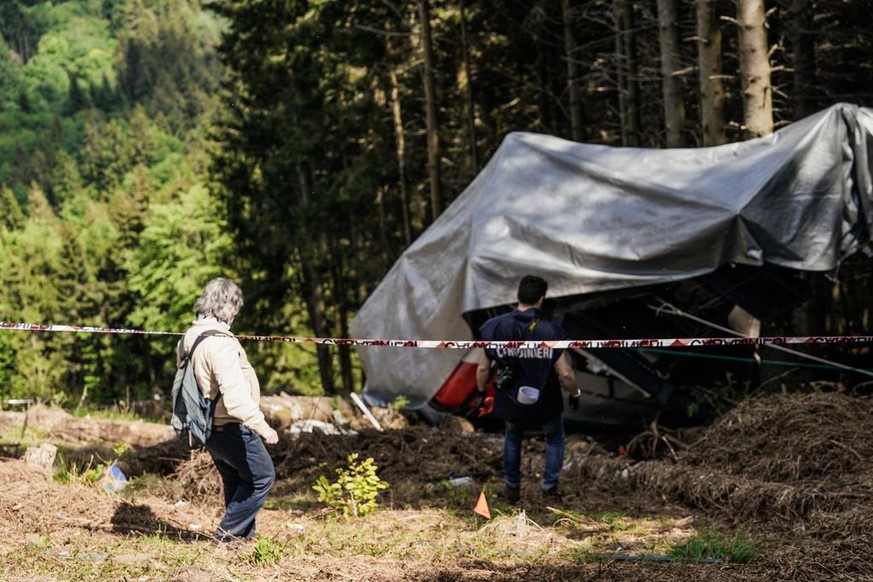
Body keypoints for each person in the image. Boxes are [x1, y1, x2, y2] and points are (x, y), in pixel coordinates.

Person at [180, 277, 279, 543]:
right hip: (231, 425)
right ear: (230, 306)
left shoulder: (192, 336)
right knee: (262, 477)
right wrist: (262, 426)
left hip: (208, 427)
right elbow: (234, 395)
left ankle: (241, 541)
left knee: (236, 479)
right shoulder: (221, 343)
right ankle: (227, 535)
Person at [475, 275, 578, 503]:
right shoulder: (551, 332)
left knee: (512, 437)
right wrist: (575, 393)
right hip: (545, 400)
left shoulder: (494, 327)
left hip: (511, 399)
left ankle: (512, 489)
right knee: (555, 438)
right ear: (541, 299)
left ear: (517, 296)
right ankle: (549, 489)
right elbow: (566, 373)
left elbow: (483, 368)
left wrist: (481, 392)